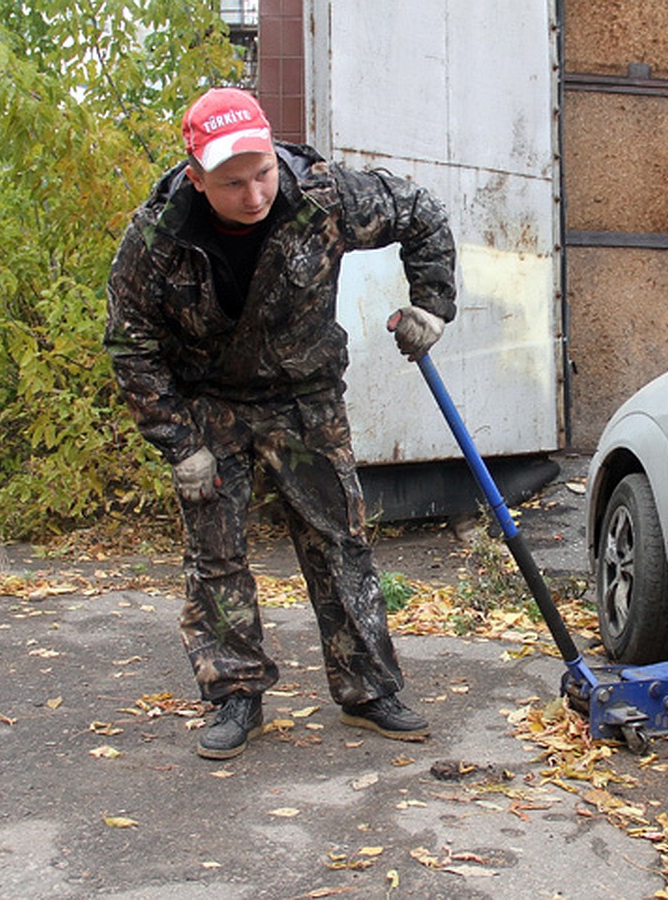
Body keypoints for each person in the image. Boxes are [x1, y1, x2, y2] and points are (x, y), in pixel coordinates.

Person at [105, 87, 456, 760]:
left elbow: (423, 213)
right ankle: (236, 696)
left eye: (262, 171)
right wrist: (179, 441)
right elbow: (130, 343)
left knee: (339, 542)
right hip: (210, 405)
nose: (255, 192)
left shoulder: (324, 196)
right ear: (196, 176)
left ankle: (368, 691)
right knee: (216, 556)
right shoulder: (157, 237)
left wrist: (432, 304)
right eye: (233, 182)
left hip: (304, 399)